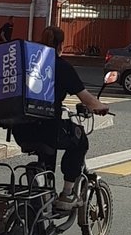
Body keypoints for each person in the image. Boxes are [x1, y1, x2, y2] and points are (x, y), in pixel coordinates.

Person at [12, 25, 110, 211]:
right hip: (49, 129)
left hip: (21, 130)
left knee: (46, 151)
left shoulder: (29, 64)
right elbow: (88, 100)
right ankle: (67, 194)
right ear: (61, 45)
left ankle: (42, 185)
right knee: (80, 141)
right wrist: (101, 107)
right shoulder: (62, 67)